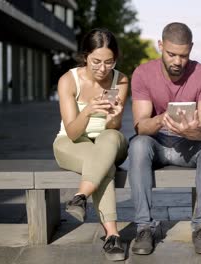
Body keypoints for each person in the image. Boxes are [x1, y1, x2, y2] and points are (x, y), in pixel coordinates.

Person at [128, 22, 201, 255]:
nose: (177, 61)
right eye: (171, 54)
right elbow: (140, 126)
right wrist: (161, 120)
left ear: (191, 49)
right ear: (160, 45)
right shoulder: (142, 73)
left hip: (188, 145)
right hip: (156, 143)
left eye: (183, 55)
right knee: (138, 145)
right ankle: (144, 227)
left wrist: (191, 132)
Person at [53, 28, 128, 261]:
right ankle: (112, 235)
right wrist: (88, 110)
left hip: (108, 140)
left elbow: (114, 128)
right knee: (104, 165)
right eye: (96, 61)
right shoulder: (68, 80)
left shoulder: (121, 79)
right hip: (71, 142)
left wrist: (115, 115)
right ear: (85, 56)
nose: (103, 68)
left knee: (109, 139)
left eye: (109, 62)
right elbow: (74, 133)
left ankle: (81, 196)